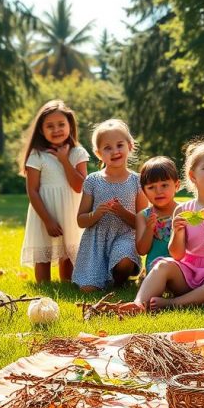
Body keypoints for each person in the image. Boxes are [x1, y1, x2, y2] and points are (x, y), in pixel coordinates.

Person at [129, 139, 204, 312]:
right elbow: (177, 254)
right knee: (162, 265)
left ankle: (174, 304)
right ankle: (138, 304)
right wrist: (177, 232)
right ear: (192, 176)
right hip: (189, 271)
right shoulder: (183, 210)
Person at [72, 119, 148, 292]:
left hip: (125, 236)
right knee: (88, 289)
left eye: (119, 145)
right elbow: (81, 220)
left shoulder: (137, 181)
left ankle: (119, 282)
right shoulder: (92, 180)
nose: (115, 151)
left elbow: (142, 222)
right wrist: (96, 214)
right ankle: (97, 276)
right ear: (99, 154)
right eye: (108, 148)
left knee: (124, 261)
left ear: (130, 146)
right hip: (96, 242)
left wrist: (122, 212)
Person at [20, 100, 89, 284]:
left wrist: (64, 160)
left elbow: (79, 186)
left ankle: (67, 283)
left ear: (70, 126)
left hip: (70, 210)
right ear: (41, 130)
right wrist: (47, 219)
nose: (56, 129)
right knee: (43, 252)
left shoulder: (78, 153)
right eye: (50, 126)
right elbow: (32, 191)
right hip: (44, 211)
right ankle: (44, 287)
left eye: (61, 124)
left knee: (68, 251)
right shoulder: (37, 155)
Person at [135, 157, 180, 275]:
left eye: (164, 185)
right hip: (156, 268)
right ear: (144, 191)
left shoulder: (184, 211)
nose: (158, 191)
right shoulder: (143, 216)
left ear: (177, 185)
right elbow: (142, 250)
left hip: (183, 265)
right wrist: (149, 229)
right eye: (151, 187)